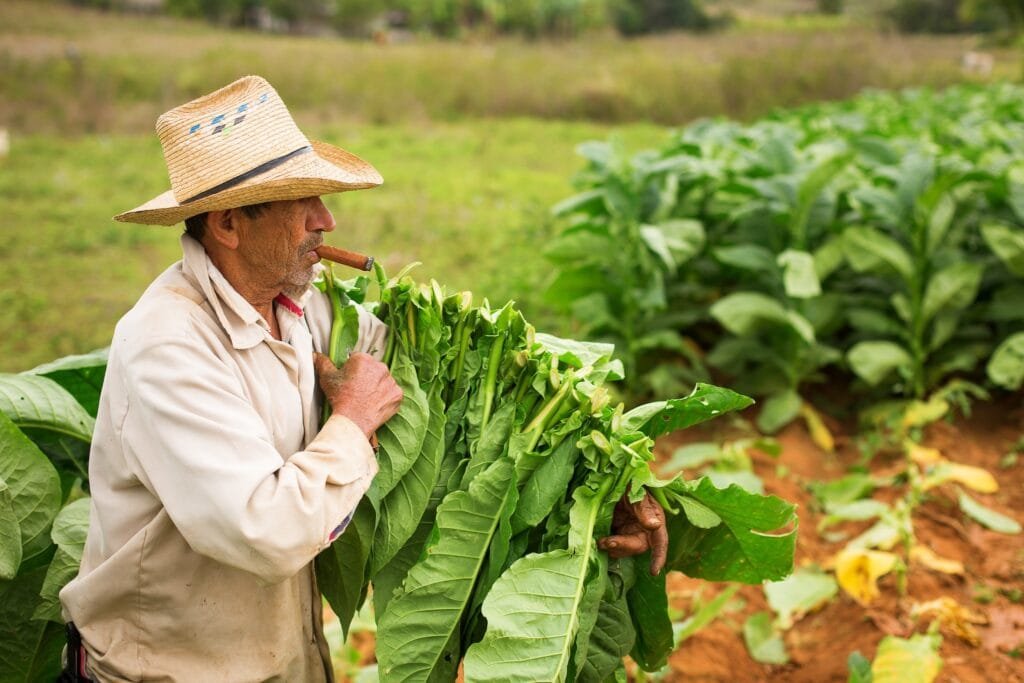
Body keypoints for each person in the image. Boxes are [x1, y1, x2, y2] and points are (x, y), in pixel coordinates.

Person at [59, 75, 666, 682]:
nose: (326, 221)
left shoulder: (307, 309)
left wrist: (608, 483)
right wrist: (351, 421)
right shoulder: (168, 344)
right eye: (303, 205)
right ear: (227, 225)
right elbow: (263, 531)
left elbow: (439, 380)